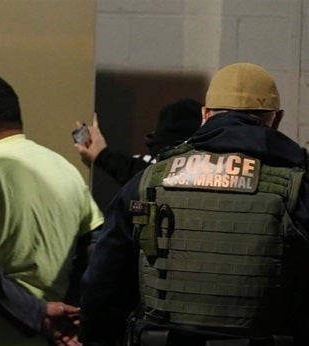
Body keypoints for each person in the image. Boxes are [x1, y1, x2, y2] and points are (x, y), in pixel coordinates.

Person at [79, 62, 309, 346]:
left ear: (205, 115)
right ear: (277, 119)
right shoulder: (297, 187)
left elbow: (102, 287)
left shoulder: (150, 180)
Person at [0, 75, 104, 346]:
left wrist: (37, 315)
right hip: (53, 338)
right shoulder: (66, 170)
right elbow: (95, 248)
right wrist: (70, 311)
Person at [74, 98, 203, 185]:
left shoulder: (147, 173)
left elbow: (132, 169)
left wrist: (102, 155)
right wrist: (102, 155)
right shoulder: (213, 170)